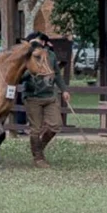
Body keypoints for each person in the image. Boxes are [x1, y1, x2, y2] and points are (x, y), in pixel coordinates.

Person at [20, 32, 69, 167]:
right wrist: (31, 71)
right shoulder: (26, 58)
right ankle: (38, 158)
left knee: (56, 125)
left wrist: (64, 89)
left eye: (38, 42)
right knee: (35, 128)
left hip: (49, 96)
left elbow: (57, 74)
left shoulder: (51, 55)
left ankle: (39, 148)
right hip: (32, 97)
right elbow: (19, 78)